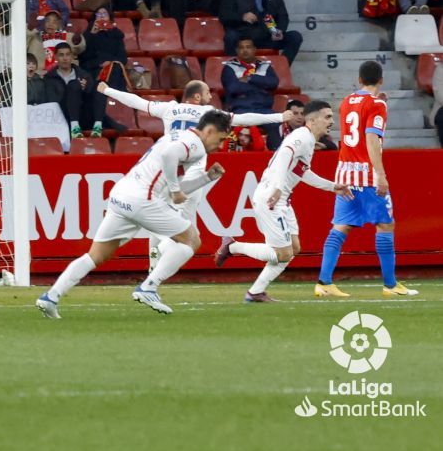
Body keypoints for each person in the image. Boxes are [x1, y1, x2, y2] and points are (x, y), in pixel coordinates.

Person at [36, 110, 230, 318]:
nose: (220, 146)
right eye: (220, 139)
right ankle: (149, 287)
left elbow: (172, 183)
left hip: (121, 194)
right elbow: (169, 158)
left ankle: (50, 297)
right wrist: (175, 190)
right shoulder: (195, 145)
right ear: (209, 131)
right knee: (191, 239)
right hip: (142, 199)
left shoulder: (177, 136)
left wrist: (206, 178)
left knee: (96, 255)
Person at [98, 79, 287, 272]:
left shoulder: (169, 108)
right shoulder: (208, 113)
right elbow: (244, 119)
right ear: (197, 96)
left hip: (169, 175)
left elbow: (136, 102)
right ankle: (159, 259)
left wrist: (108, 90)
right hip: (193, 176)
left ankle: (154, 261)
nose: (210, 96)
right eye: (207, 93)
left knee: (160, 219)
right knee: (188, 234)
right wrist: (280, 116)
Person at [215, 101, 353, 302]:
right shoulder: (302, 137)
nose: (331, 121)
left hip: (282, 200)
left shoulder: (307, 140)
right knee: (282, 253)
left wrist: (332, 186)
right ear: (312, 120)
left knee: (293, 248)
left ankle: (255, 292)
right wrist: (278, 186)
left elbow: (302, 172)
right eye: (327, 117)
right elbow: (285, 155)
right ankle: (232, 247)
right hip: (271, 197)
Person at [316, 61, 419, 298]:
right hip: (367, 175)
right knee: (385, 224)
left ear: (359, 80)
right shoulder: (377, 104)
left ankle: (324, 282)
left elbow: (358, 119)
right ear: (381, 80)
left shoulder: (346, 101)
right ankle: (390, 285)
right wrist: (380, 174)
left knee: (341, 225)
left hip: (345, 173)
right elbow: (371, 138)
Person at [221, 38, 282, 149]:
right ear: (237, 50)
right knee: (233, 125)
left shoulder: (265, 66)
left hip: (264, 109)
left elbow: (273, 83)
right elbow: (233, 88)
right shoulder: (229, 67)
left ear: (254, 49)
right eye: (241, 48)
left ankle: (275, 154)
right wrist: (261, 87)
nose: (245, 50)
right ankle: (230, 154)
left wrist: (250, 78)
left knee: (275, 123)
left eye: (248, 47)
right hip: (241, 109)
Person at [44, 42, 107, 138]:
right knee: (74, 85)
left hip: (84, 115)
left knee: (99, 87)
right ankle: (74, 127)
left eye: (68, 54)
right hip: (62, 116)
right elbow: (51, 101)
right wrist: (71, 90)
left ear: (72, 56)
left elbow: (92, 96)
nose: (65, 58)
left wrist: (85, 88)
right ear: (55, 57)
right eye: (61, 55)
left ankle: (98, 126)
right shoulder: (49, 78)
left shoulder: (84, 75)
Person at [79, 6, 127, 92]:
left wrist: (110, 62)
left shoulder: (116, 34)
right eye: (98, 14)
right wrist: (91, 35)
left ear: (110, 19)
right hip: (93, 69)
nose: (101, 16)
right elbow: (82, 57)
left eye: (104, 14)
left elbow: (123, 58)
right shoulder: (88, 34)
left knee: (115, 71)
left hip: (112, 69)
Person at [270, 98, 337, 151]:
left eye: (302, 114)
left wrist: (323, 146)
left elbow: (333, 146)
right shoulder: (277, 131)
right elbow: (275, 148)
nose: (300, 117)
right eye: (295, 113)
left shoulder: (311, 129)